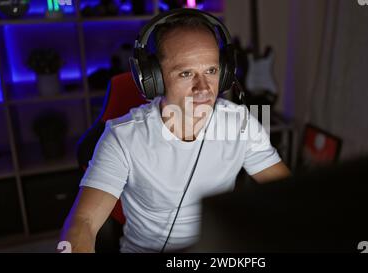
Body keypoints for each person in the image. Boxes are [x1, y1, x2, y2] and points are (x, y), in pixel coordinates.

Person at [60, 9, 291, 253]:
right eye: (186, 73)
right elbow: (82, 223)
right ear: (153, 79)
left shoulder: (241, 123)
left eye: (211, 71)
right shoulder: (122, 137)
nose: (203, 89)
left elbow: (289, 194)